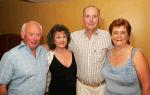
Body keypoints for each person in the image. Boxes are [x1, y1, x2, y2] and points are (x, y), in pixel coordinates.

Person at [69, 5, 112, 95]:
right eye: (87, 16)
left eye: (95, 16)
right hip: (82, 88)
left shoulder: (108, 36)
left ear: (99, 19)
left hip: (102, 88)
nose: (91, 19)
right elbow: (57, 45)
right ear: (83, 19)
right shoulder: (73, 37)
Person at [102, 18, 150, 95]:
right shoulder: (108, 53)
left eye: (123, 32)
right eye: (115, 33)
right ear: (111, 35)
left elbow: (147, 87)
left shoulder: (136, 54)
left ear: (128, 36)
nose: (119, 36)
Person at [0, 21, 49, 95]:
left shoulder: (44, 52)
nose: (35, 38)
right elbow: (2, 86)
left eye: (38, 35)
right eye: (31, 34)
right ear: (23, 35)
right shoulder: (11, 56)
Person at [46, 24, 77, 95]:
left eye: (64, 36)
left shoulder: (74, 54)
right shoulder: (49, 56)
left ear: (67, 38)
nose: (62, 39)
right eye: (58, 37)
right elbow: (45, 77)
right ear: (53, 40)